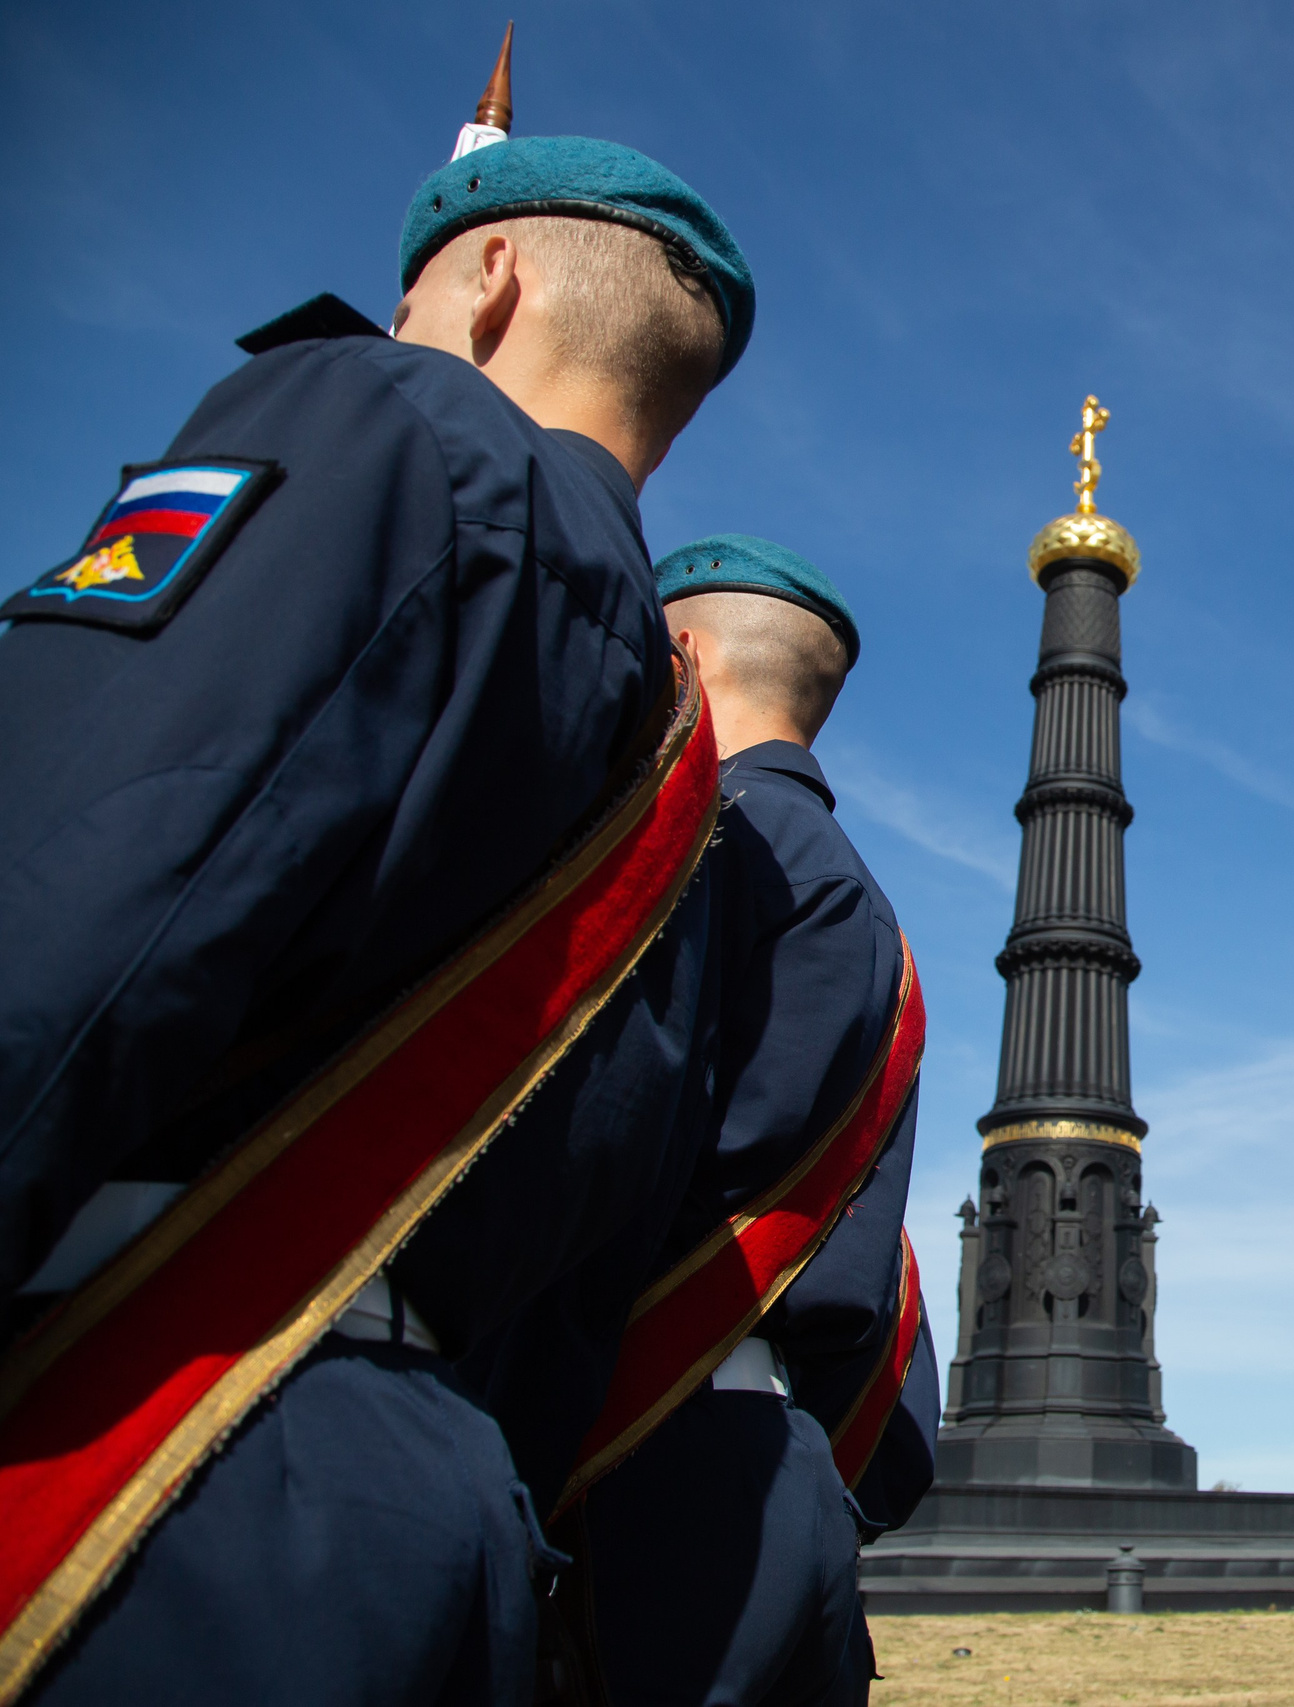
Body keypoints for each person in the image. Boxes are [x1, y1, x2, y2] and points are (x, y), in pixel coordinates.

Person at [0, 79, 756, 1705]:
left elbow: (81, 879)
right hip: (438, 1517)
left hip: (137, 1443)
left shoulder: (371, 422)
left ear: (487, 284)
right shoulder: (689, 775)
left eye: (413, 286)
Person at [488, 536, 932, 1707]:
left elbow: (613, 1158)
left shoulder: (715, 846)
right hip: (766, 1454)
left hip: (649, 1451)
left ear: (678, 655)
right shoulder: (845, 884)